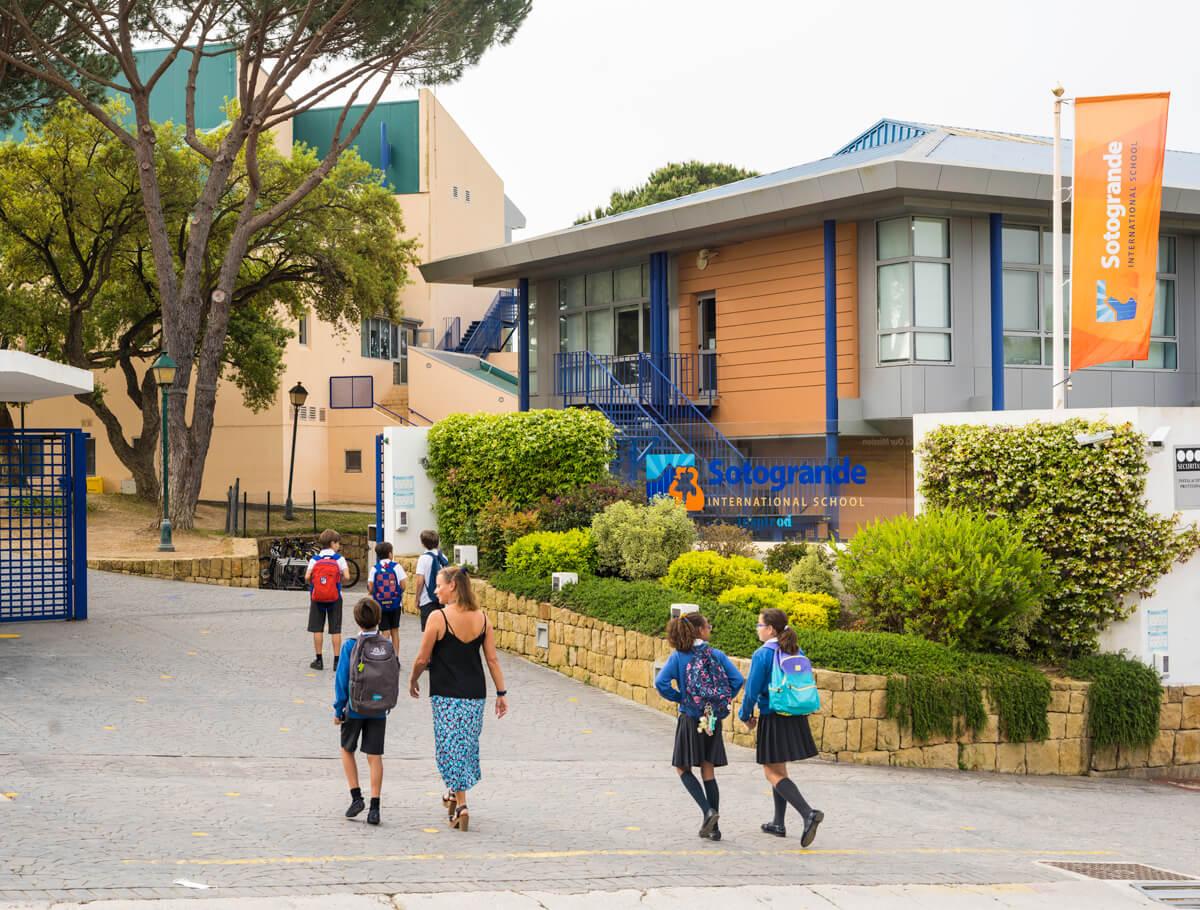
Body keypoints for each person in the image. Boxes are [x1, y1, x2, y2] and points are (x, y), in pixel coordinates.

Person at [408, 566, 507, 831]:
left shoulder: (438, 617)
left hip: (446, 694)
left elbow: (422, 658)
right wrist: (501, 693)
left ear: (452, 586)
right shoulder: (482, 618)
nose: (435, 590)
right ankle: (452, 793)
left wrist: (413, 679)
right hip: (475, 693)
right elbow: (492, 660)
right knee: (464, 745)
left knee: (450, 747)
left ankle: (462, 804)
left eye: (439, 585)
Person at [654, 612, 744, 841]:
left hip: (690, 717)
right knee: (708, 769)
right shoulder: (716, 655)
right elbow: (737, 680)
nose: (710, 629)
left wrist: (681, 698)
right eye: (708, 626)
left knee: (682, 768)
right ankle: (715, 829)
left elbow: (660, 682)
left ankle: (707, 811)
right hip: (712, 718)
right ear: (700, 631)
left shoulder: (678, 657)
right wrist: (721, 701)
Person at [738, 607, 824, 845]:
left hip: (773, 715)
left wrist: (745, 715)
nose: (757, 629)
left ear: (770, 629)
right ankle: (778, 823)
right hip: (794, 713)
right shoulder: (795, 649)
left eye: (759, 625)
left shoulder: (762, 654)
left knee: (771, 771)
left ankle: (808, 813)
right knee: (780, 769)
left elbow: (752, 690)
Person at [332, 597, 395, 826]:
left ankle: (356, 796)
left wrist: (339, 709)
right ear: (378, 619)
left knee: (346, 749)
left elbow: (342, 680)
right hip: (379, 710)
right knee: (374, 756)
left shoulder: (350, 646)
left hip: (355, 708)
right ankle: (375, 807)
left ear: (357, 620)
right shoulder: (386, 645)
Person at [305, 528, 349, 670]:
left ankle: (319, 661)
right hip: (335, 597)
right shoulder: (339, 559)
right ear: (332, 543)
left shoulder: (315, 559)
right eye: (338, 543)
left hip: (317, 597)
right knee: (335, 629)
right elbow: (347, 577)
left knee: (317, 628)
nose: (339, 546)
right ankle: (337, 662)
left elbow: (307, 577)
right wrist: (337, 580)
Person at [368, 541, 407, 653]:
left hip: (380, 605)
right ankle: (396, 657)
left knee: (385, 631)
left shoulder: (374, 569)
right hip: (395, 604)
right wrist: (397, 593)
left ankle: (384, 656)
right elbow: (403, 585)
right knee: (395, 631)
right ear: (390, 554)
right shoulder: (397, 567)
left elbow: (370, 588)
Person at [412, 530, 448, 631]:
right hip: (443, 599)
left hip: (427, 599)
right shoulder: (443, 557)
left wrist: (417, 599)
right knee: (442, 630)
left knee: (429, 631)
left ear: (423, 544)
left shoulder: (423, 559)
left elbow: (420, 581)